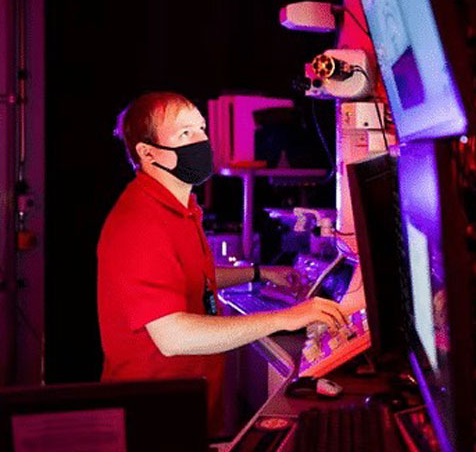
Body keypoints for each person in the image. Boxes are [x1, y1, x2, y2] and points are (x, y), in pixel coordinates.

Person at [97, 91, 346, 435]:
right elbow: (173, 337)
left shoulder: (179, 208)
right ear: (148, 153)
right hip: (154, 420)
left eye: (200, 129)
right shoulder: (140, 222)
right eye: (185, 134)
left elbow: (190, 277)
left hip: (187, 407)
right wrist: (287, 317)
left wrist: (260, 273)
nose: (201, 141)